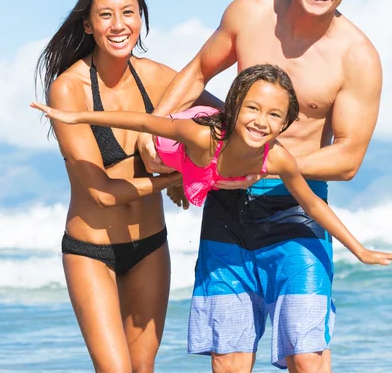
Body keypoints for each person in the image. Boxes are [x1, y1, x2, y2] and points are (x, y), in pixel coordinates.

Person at [137, 0, 383, 373]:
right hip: (226, 214)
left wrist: (267, 166)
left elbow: (349, 158)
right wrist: (153, 131)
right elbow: (199, 69)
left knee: (308, 364)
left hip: (296, 215)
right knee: (228, 363)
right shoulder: (250, 13)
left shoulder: (356, 56)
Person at [34, 0, 216, 373]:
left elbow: (224, 123)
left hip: (149, 246)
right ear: (89, 25)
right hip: (90, 249)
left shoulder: (159, 79)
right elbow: (100, 191)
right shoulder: (69, 90)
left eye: (128, 12)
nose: (119, 24)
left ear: (142, 19)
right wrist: (174, 179)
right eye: (106, 14)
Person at [32, 63, 391, 268]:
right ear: (236, 109)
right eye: (252, 109)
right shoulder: (203, 136)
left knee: (201, 181)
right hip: (175, 146)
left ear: (284, 125)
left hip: (208, 168)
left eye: (274, 116)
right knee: (157, 156)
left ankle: (185, 180)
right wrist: (76, 115)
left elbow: (312, 204)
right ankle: (178, 179)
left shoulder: (277, 157)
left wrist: (359, 249)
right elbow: (143, 123)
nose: (262, 122)